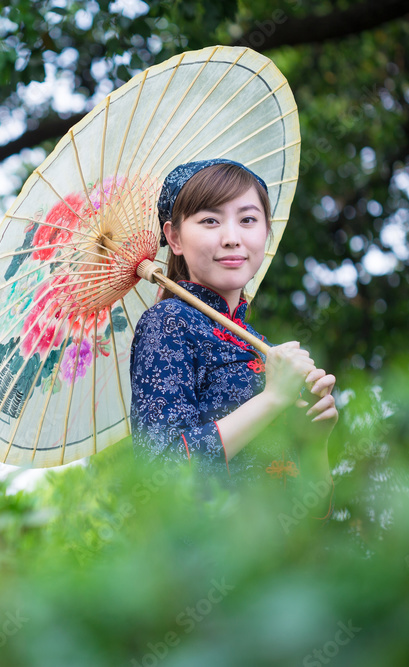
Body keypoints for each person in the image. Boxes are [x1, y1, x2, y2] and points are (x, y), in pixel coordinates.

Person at [129, 159, 336, 517]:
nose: (231, 237)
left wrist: (315, 444)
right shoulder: (168, 323)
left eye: (248, 219)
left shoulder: (261, 345)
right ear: (174, 237)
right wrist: (272, 399)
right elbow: (161, 474)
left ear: (265, 231)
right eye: (210, 220)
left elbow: (314, 515)